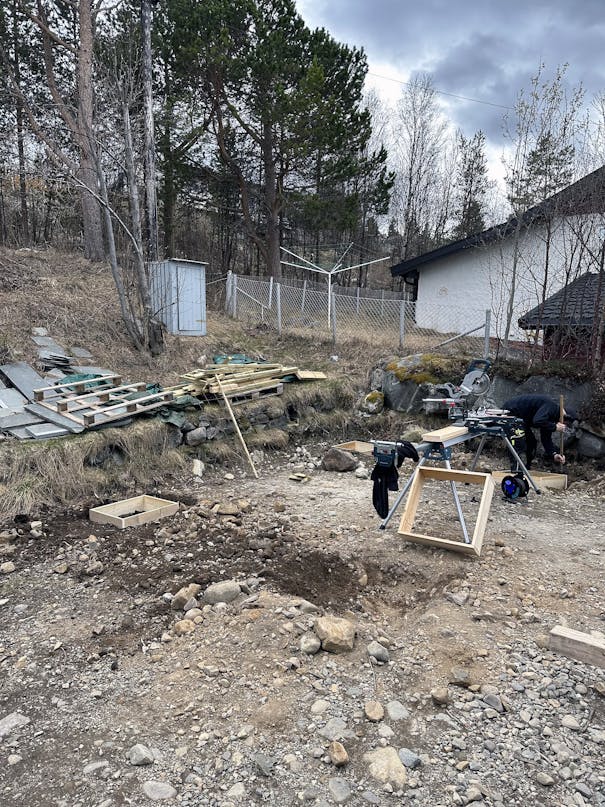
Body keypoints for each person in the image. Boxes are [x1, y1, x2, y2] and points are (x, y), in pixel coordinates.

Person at [502, 394, 577, 469]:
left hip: (522, 420)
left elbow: (546, 438)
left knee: (531, 443)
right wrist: (554, 427)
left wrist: (554, 454)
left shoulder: (552, 418)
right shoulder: (551, 407)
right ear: (564, 417)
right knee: (519, 442)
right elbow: (537, 420)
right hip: (511, 412)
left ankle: (525, 470)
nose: (563, 426)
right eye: (565, 424)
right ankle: (516, 471)